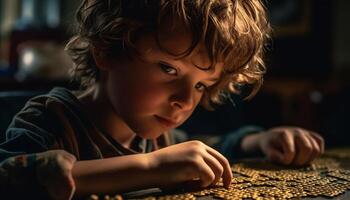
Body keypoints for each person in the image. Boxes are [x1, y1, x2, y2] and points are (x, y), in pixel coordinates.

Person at [0, 0, 324, 199]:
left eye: (201, 85)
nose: (185, 100)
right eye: (169, 68)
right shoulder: (51, 117)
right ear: (107, 50)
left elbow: (210, 146)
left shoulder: (158, 135)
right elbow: (10, 179)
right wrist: (151, 166)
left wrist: (260, 141)